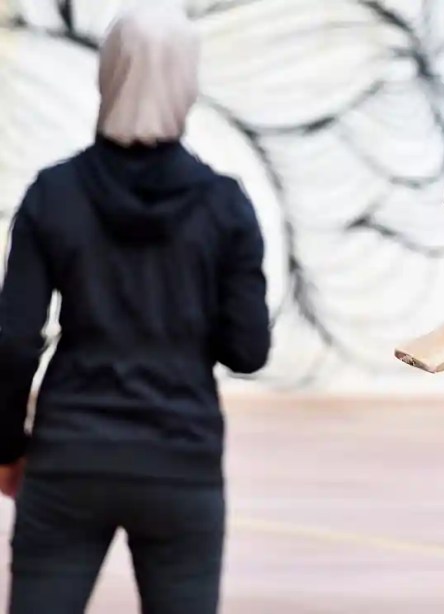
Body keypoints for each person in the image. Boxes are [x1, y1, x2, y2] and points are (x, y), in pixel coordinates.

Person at [0, 4, 270, 613]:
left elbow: (13, 340)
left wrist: (7, 449)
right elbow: (247, 350)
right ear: (188, 82)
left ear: (107, 74)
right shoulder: (225, 206)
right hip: (180, 458)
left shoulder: (52, 194)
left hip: (70, 454)